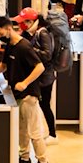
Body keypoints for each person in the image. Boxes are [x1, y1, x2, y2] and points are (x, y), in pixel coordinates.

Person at [0, 17, 50, 163]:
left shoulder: (24, 47)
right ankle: (24, 157)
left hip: (28, 96)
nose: (0, 37)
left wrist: (25, 83)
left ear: (8, 28)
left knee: (34, 132)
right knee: (22, 131)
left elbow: (40, 67)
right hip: (17, 95)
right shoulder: (10, 45)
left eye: (1, 33)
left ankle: (42, 160)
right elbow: (4, 65)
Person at [13, 8, 58, 144]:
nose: (22, 25)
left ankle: (53, 134)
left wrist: (30, 50)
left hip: (45, 77)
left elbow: (47, 54)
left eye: (24, 22)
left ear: (31, 21)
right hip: (40, 76)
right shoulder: (31, 32)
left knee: (45, 105)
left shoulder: (42, 33)